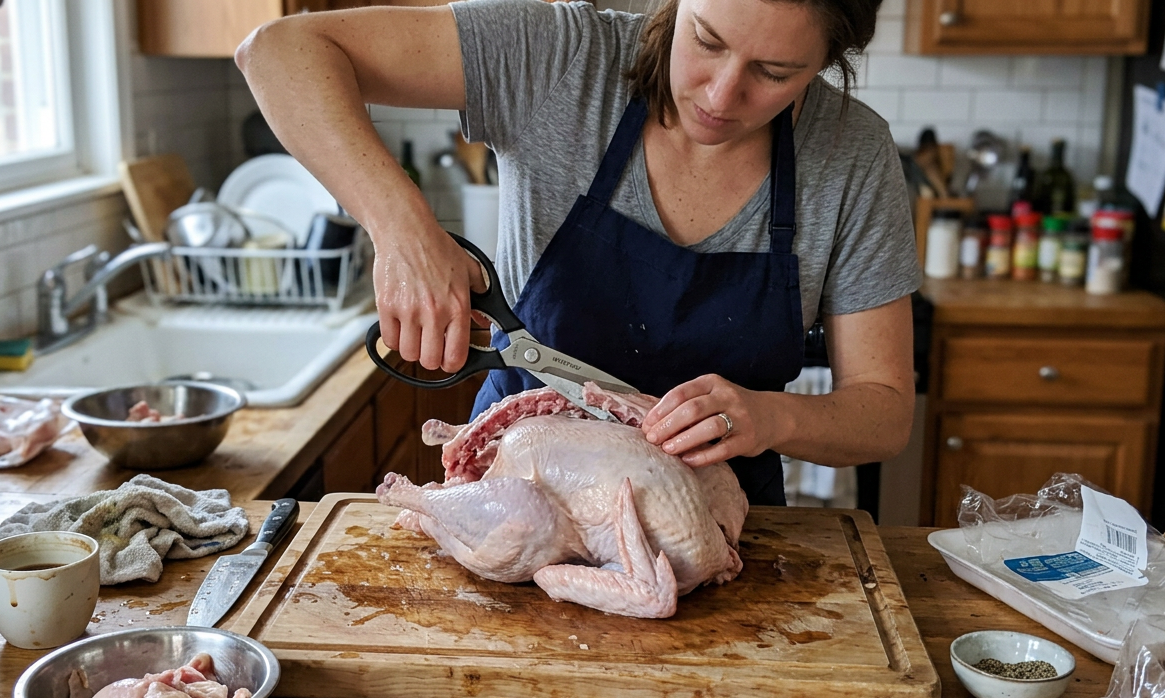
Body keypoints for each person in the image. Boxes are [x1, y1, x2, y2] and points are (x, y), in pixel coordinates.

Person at [237, 0, 920, 506]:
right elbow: (278, 51)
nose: (721, 94)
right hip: (513, 495)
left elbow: (884, 412)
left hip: (717, 525)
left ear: (829, 60)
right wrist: (403, 229)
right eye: (706, 41)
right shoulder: (563, 60)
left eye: (774, 72)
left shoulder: (851, 155)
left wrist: (775, 416)